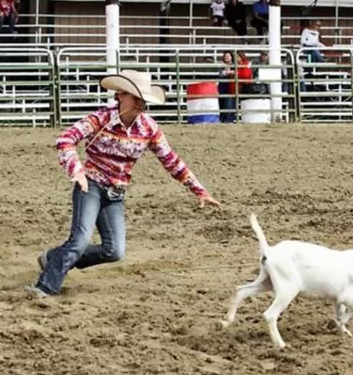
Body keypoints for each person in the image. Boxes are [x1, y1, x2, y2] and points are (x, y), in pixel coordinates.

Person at [26, 70, 222, 297]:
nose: (140, 104)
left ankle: (55, 257)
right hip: (90, 185)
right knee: (79, 240)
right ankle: (45, 288)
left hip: (115, 192)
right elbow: (66, 139)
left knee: (114, 251)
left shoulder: (149, 128)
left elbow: (170, 160)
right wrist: (76, 170)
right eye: (135, 98)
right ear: (120, 95)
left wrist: (198, 190)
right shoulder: (101, 119)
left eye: (143, 100)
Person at [218, 51, 235, 123]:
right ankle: (222, 119)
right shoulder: (222, 66)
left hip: (230, 86)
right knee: (222, 103)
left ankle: (229, 119)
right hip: (222, 86)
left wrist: (229, 72)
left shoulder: (234, 65)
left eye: (228, 56)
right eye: (225, 56)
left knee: (229, 104)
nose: (227, 57)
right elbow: (221, 74)